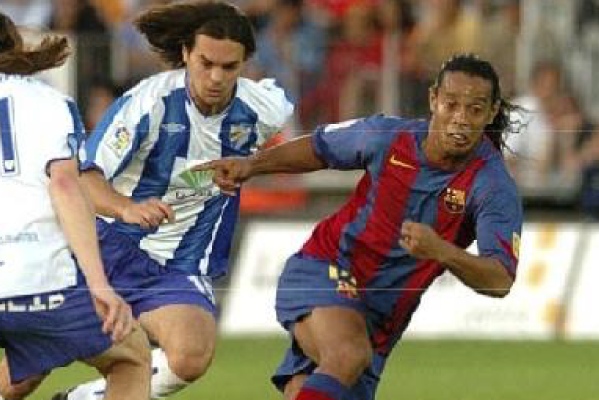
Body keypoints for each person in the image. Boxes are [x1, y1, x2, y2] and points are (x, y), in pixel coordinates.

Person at [198, 53, 524, 400]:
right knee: (347, 354)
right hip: (325, 267)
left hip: (379, 323)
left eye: (474, 110)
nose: (460, 119)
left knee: (318, 381)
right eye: (451, 105)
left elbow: (500, 278)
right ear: (433, 99)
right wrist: (252, 166)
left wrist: (441, 251)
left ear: (490, 113)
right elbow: (320, 148)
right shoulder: (387, 137)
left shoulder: (492, 186)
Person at [55, 1, 294, 399]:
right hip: (108, 247)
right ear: (186, 54)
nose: (216, 77)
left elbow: (298, 148)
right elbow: (84, 177)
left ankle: (84, 397)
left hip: (178, 265)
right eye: (206, 63)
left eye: (229, 67)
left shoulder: (263, 108)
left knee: (190, 356)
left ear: (245, 63)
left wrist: (254, 164)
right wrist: (126, 208)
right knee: (22, 376)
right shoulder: (146, 104)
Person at [0, 12, 150, 400]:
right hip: (34, 280)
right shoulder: (48, 101)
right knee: (131, 356)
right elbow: (66, 185)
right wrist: (98, 284)